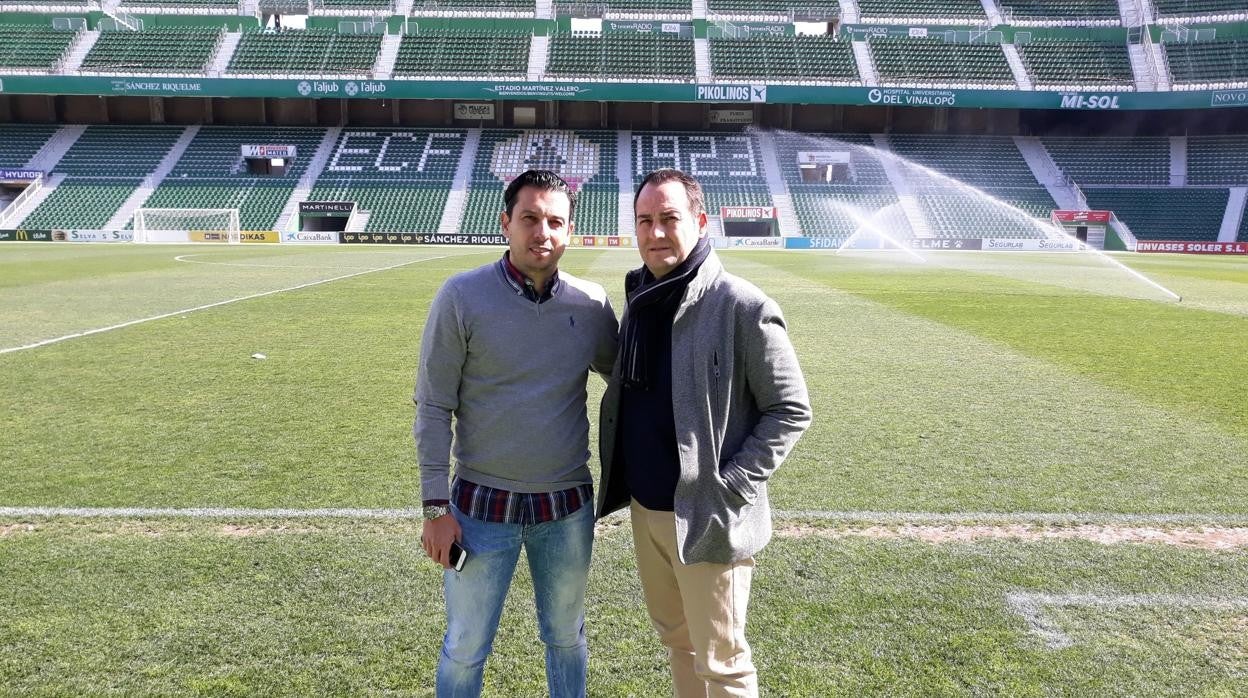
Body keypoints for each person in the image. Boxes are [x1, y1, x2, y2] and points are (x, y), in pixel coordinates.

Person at [597, 168, 812, 697]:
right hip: (647, 512)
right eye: (645, 221)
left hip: (708, 516)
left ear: (699, 220)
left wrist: (730, 484)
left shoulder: (742, 305)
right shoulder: (643, 297)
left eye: (669, 218)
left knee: (723, 661)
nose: (656, 233)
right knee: (679, 642)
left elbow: (791, 409)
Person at [414, 169, 618, 698]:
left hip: (567, 508)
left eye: (555, 221)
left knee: (567, 639)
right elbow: (434, 405)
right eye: (529, 218)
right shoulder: (461, 297)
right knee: (465, 645)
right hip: (481, 507)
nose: (542, 233)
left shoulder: (591, 305)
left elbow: (628, 381)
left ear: (570, 231)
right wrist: (436, 509)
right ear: (505, 221)